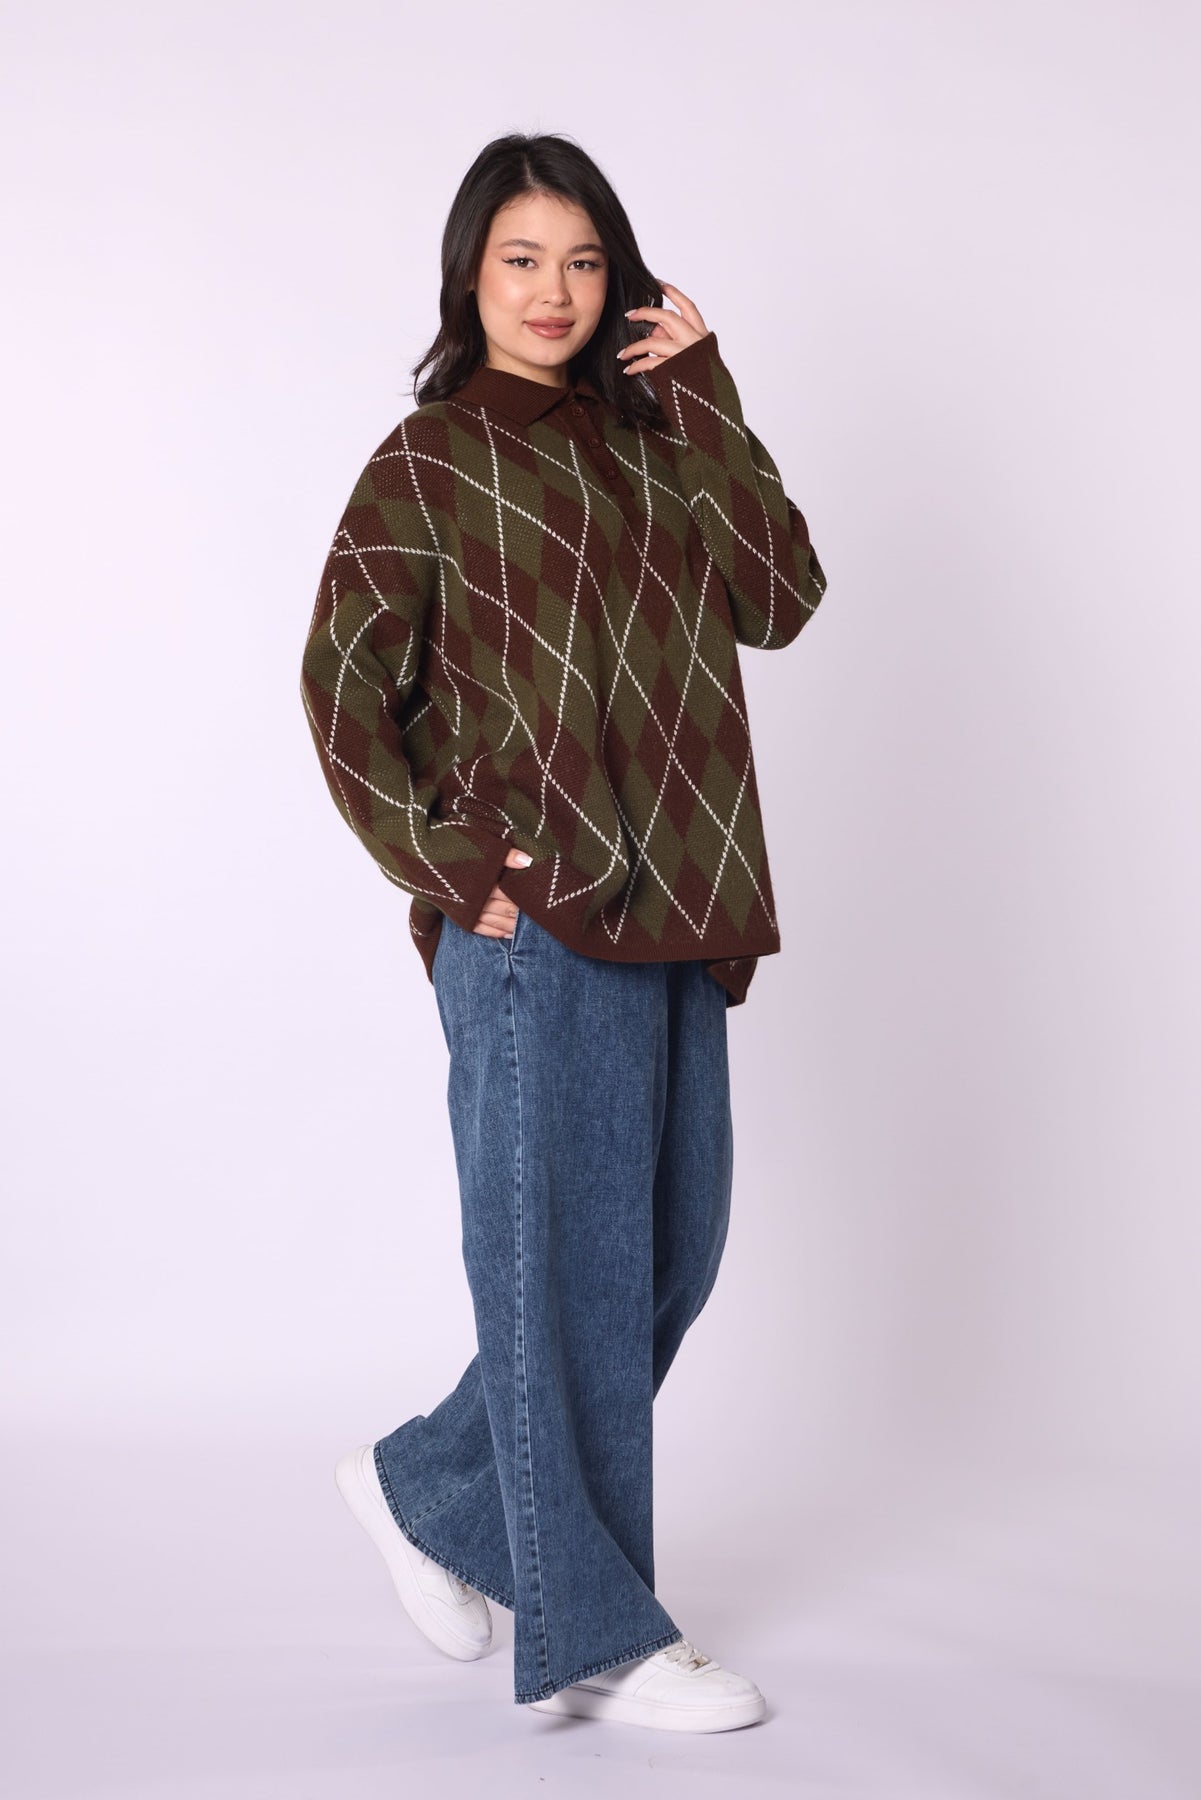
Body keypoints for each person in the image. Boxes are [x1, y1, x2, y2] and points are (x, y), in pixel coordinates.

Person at [300, 131, 829, 1733]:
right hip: (531, 922)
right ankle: (597, 1632)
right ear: (469, 277)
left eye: (585, 262)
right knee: (567, 1271)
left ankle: (429, 1486)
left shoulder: (661, 440)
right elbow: (341, 690)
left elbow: (780, 596)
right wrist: (454, 863)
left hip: (681, 904)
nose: (554, 292)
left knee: (666, 1251)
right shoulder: (429, 461)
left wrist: (708, 394)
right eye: (522, 260)